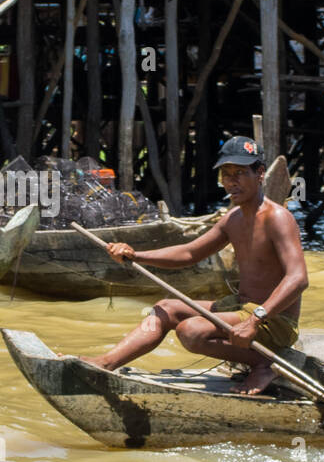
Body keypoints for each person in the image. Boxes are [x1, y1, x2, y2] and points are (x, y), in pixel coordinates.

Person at [82, 136, 308, 395]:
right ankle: (106, 363)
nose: (232, 181)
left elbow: (298, 278)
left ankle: (264, 364)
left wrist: (256, 319)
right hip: (240, 307)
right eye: (226, 174)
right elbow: (189, 253)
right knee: (165, 308)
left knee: (191, 332)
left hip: (273, 320)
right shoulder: (233, 218)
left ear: (259, 174)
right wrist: (135, 255)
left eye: (240, 173)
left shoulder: (278, 218)